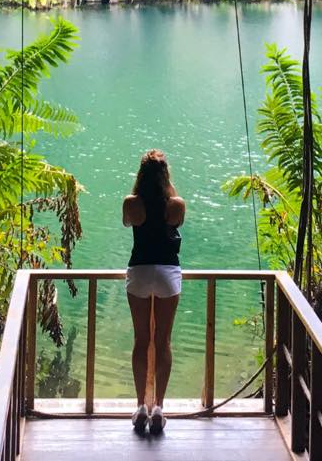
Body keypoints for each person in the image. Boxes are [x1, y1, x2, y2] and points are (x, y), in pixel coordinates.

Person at [123, 148, 185, 435]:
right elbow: (175, 222)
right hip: (167, 274)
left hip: (140, 272)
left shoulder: (132, 203)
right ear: (165, 175)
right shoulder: (175, 204)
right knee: (163, 341)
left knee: (140, 340)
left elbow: (129, 222)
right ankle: (158, 406)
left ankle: (140, 407)